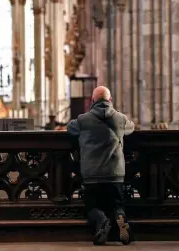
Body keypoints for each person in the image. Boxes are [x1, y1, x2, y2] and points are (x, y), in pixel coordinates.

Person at [66, 86, 135, 245]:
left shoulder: (83, 120)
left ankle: (101, 220)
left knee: (92, 207)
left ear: (92, 101)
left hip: (92, 174)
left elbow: (70, 128)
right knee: (117, 204)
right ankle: (120, 217)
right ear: (110, 100)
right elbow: (131, 127)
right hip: (115, 173)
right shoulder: (120, 118)